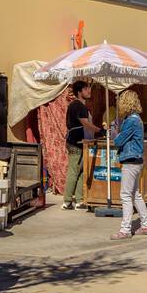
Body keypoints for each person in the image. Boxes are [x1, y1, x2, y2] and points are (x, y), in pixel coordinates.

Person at [110, 90, 147, 240]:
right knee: (135, 194)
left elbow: (118, 141)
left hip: (130, 160)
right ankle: (146, 224)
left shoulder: (131, 120)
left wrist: (114, 131)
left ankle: (125, 229)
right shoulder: (136, 119)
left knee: (126, 195)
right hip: (136, 160)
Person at [61, 81, 97, 209]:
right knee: (74, 171)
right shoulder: (78, 105)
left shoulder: (81, 105)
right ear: (79, 91)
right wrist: (100, 130)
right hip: (76, 142)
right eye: (86, 89)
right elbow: (85, 123)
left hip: (82, 142)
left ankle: (80, 200)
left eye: (89, 89)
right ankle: (67, 201)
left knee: (82, 170)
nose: (89, 91)